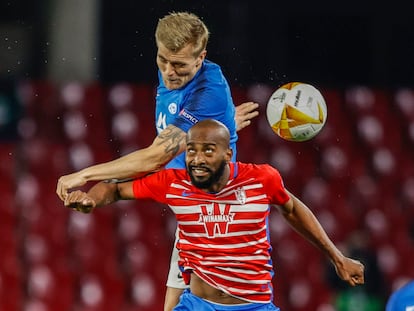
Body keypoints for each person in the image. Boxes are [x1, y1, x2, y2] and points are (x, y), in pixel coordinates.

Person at [56, 11, 258, 311]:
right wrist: (223, 120)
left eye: (178, 64)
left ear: (200, 58)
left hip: (217, 221)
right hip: (191, 212)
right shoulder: (175, 72)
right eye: (162, 59)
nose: (169, 71)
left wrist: (84, 174)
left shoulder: (208, 90)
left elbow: (156, 156)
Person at [64, 119, 365, 311]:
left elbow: (293, 208)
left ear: (228, 154)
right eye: (192, 150)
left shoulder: (261, 179)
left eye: (208, 150)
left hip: (254, 307)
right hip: (198, 305)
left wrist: (337, 257)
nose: (196, 158)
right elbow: (114, 189)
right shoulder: (174, 183)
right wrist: (91, 200)